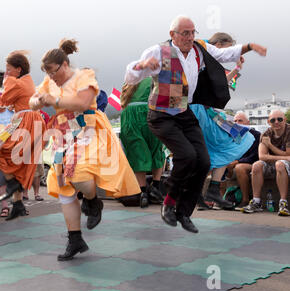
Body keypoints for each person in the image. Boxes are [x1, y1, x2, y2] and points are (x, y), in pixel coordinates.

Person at [124, 15, 267, 233]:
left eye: (193, 32)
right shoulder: (158, 51)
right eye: (185, 33)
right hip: (161, 114)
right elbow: (131, 77)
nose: (190, 37)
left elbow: (224, 53)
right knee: (187, 156)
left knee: (203, 161)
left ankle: (184, 212)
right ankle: (169, 202)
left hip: (184, 111)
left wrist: (249, 47)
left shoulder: (200, 48)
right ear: (173, 35)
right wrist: (142, 65)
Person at [30, 39, 140, 261]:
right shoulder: (48, 82)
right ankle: (75, 238)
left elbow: (81, 103)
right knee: (63, 185)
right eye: (47, 73)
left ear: (63, 64)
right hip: (63, 131)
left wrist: (55, 98)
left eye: (52, 71)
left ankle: (92, 200)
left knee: (78, 173)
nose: (50, 76)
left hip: (88, 128)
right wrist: (37, 100)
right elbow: (33, 101)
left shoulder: (85, 77)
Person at [191, 33, 255, 210]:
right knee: (226, 144)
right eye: (228, 49)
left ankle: (205, 192)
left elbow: (217, 84)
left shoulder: (205, 61)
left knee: (216, 150)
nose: (229, 54)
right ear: (218, 45)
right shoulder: (201, 59)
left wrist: (236, 70)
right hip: (200, 111)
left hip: (203, 111)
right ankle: (207, 191)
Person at [0, 51, 46, 220]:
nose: (6, 73)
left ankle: (14, 188)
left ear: (18, 69)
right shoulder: (26, 81)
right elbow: (4, 105)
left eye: (8, 69)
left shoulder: (15, 84)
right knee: (14, 163)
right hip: (28, 121)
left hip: (24, 121)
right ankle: (18, 204)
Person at [120, 77, 165, 208]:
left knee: (137, 153)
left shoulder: (128, 83)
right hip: (151, 113)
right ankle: (155, 188)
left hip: (129, 116)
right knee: (157, 150)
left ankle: (143, 192)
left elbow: (123, 103)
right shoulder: (155, 78)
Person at [242, 110, 290, 216]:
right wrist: (284, 156)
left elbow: (288, 154)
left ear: (285, 120)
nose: (276, 122)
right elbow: (262, 156)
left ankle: (283, 203)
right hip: (275, 162)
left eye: (280, 119)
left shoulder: (289, 131)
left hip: (284, 165)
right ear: (269, 122)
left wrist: (270, 146)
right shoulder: (266, 134)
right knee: (256, 165)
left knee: (280, 164)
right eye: (273, 120)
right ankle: (256, 201)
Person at [225, 111, 261, 208]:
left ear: (247, 123)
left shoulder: (256, 135)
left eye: (240, 120)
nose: (237, 123)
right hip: (234, 164)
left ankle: (245, 200)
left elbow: (255, 155)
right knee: (218, 166)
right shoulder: (231, 136)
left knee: (239, 167)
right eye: (235, 121)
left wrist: (237, 162)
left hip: (251, 163)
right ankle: (220, 199)